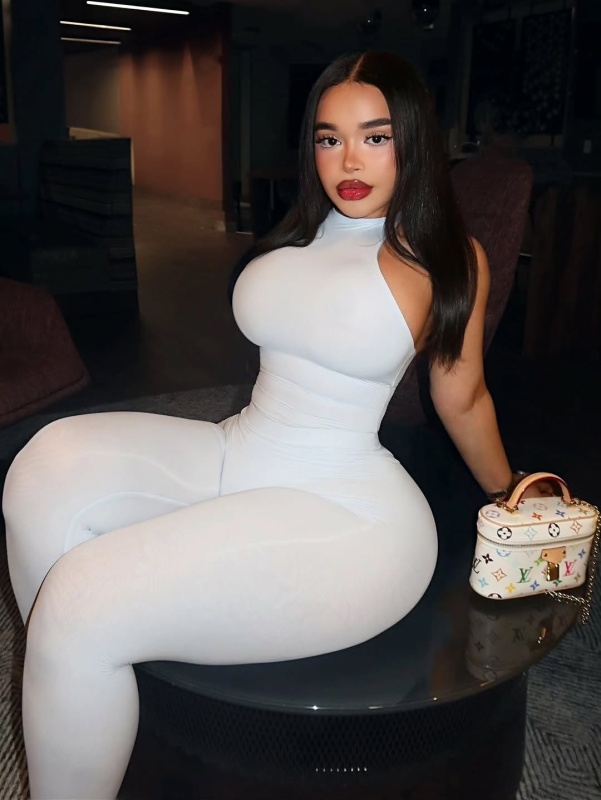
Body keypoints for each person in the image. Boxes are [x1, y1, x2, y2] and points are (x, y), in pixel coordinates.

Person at [2, 51, 543, 800]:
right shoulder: (304, 231)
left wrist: (512, 489)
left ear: (414, 140)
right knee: (42, 467)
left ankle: (86, 657)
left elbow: (465, 398)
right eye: (329, 138)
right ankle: (86, 690)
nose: (348, 160)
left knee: (78, 600)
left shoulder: (448, 259)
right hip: (243, 448)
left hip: (351, 515)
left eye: (375, 137)